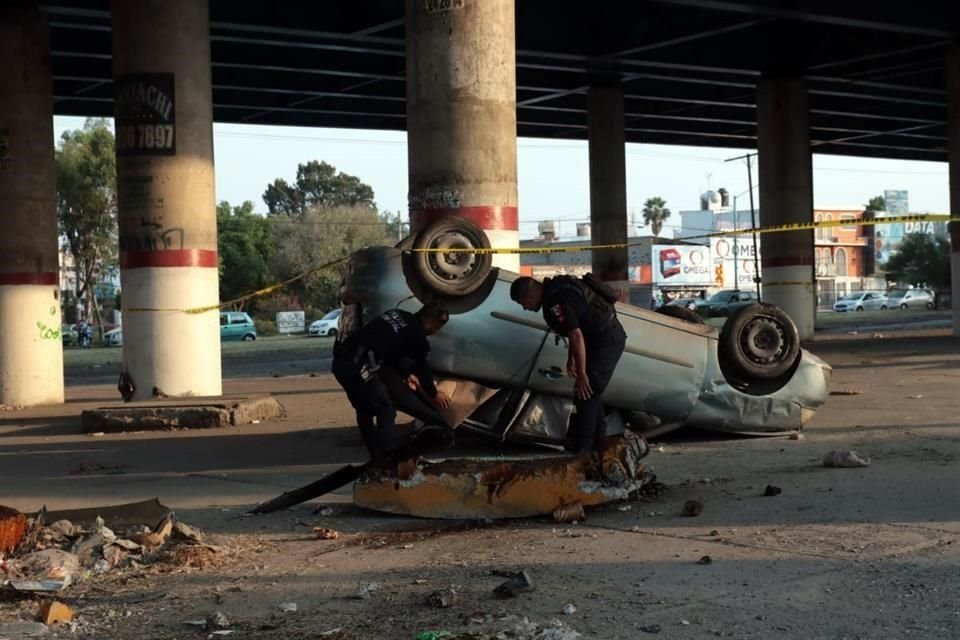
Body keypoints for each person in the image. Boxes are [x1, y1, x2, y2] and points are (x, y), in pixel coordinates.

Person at [509, 275, 626, 455]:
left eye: (523, 303)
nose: (525, 308)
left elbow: (576, 334)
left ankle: (583, 451)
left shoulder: (555, 301)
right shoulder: (557, 287)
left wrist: (581, 374)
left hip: (605, 340)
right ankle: (600, 444)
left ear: (529, 296)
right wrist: (572, 357)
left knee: (585, 393)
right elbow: (576, 324)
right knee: (591, 393)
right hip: (599, 338)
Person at [331, 302, 452, 460]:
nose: (434, 332)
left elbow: (390, 348)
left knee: (364, 409)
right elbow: (424, 371)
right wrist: (435, 394)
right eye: (436, 328)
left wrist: (406, 374)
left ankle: (375, 455)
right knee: (386, 408)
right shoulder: (418, 339)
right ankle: (384, 457)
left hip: (341, 362)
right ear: (429, 322)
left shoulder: (396, 313)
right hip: (357, 367)